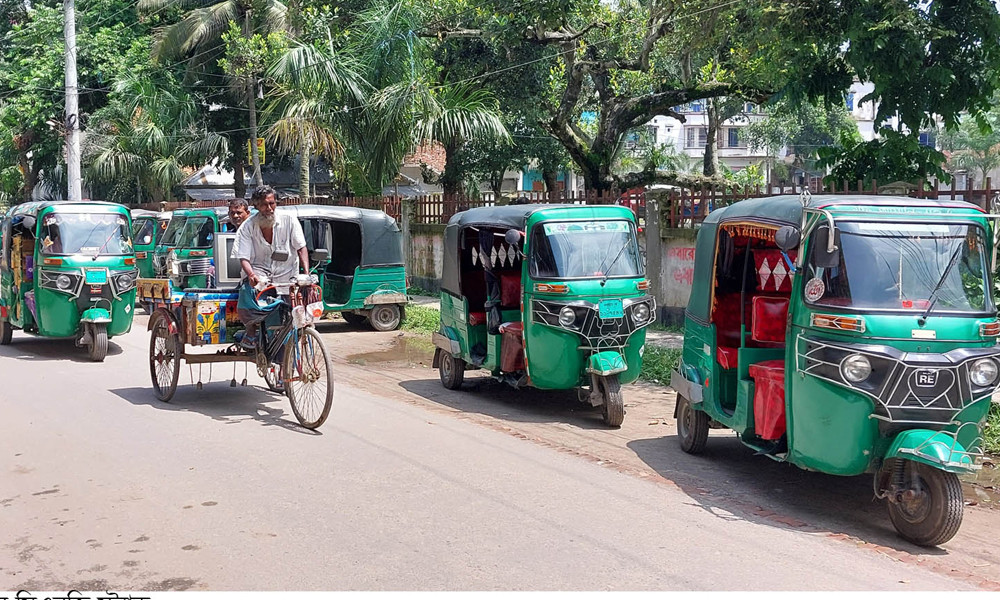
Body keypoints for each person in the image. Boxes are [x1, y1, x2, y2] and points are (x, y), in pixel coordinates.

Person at [232, 186, 309, 349]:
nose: (268, 209)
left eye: (272, 204)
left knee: (296, 315)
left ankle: (284, 365)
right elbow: (243, 257)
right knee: (249, 294)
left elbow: (301, 247)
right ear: (256, 206)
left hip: (287, 277)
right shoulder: (248, 226)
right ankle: (251, 332)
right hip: (260, 276)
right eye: (263, 205)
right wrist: (252, 275)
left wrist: (307, 274)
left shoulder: (289, 220)